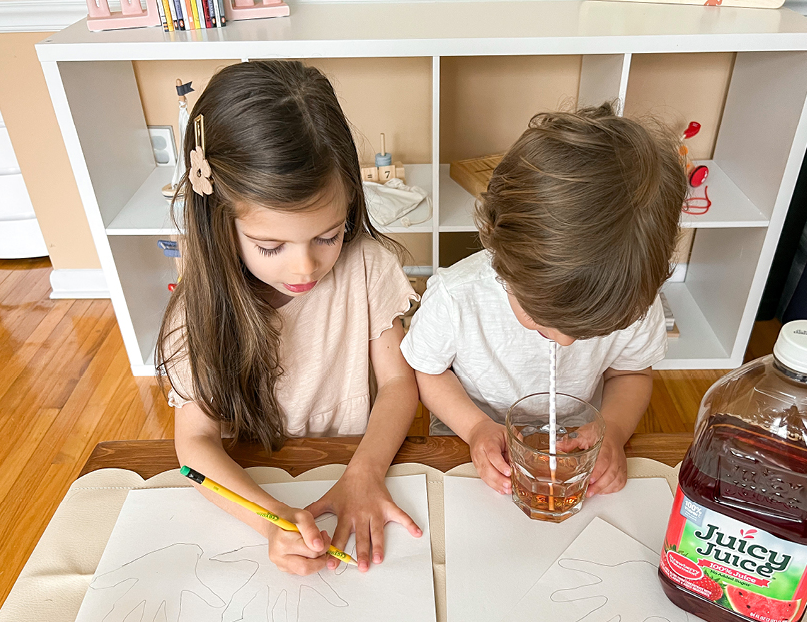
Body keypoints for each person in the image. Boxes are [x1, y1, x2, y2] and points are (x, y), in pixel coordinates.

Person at [158, 61, 422, 577]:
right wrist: (271, 520)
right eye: (271, 246)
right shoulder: (199, 309)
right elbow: (194, 443)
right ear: (220, 226)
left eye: (328, 235)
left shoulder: (368, 266)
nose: (305, 267)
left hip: (355, 462)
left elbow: (398, 384)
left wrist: (364, 473)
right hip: (256, 483)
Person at [402, 104, 686, 498]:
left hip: (575, 446)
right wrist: (474, 428)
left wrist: (615, 432)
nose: (565, 342)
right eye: (539, 319)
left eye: (592, 332)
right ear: (501, 253)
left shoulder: (632, 300)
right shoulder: (456, 296)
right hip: (469, 446)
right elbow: (428, 371)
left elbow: (630, 373)